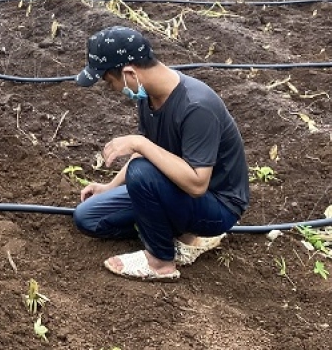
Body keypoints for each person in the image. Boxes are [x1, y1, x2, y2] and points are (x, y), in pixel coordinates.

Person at [71, 25, 249, 281]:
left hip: (216, 205)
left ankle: (161, 262)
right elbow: (150, 149)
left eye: (110, 81)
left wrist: (140, 145)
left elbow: (198, 184)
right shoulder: (148, 96)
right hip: (173, 189)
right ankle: (172, 233)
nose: (112, 89)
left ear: (129, 73)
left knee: (141, 172)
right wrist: (108, 187)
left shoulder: (196, 107)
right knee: (88, 217)